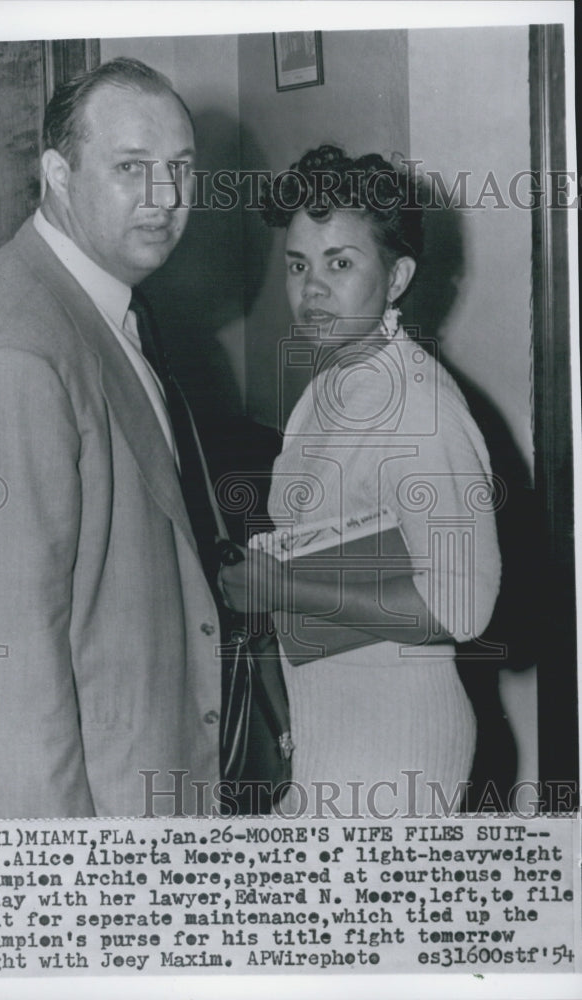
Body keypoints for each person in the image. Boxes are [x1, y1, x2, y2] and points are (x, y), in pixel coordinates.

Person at [0, 58, 224, 819]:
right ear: (58, 174)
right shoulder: (20, 349)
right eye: (131, 167)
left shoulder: (97, 303)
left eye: (179, 168)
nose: (165, 197)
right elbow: (1, 676)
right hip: (93, 835)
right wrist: (66, 888)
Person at [219, 145, 502, 817]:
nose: (311, 289)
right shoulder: (322, 394)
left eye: (340, 264)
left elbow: (463, 608)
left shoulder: (423, 408)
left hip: (396, 742)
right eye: (297, 265)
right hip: (320, 730)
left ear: (398, 277)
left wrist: (277, 586)